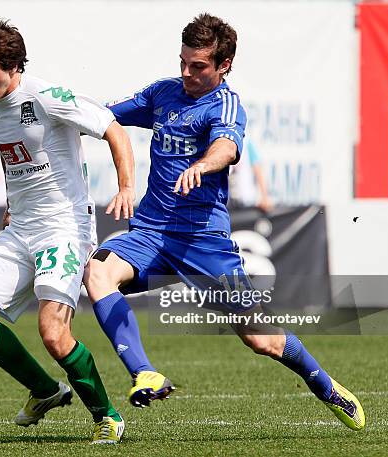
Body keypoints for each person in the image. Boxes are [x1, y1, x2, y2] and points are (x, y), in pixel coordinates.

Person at [84, 13, 365, 431]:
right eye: (183, 61)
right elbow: (104, 117)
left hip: (204, 242)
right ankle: (144, 372)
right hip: (150, 232)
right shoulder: (163, 94)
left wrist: (202, 164)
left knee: (261, 340)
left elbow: (226, 147)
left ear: (223, 66)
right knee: (98, 272)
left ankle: (325, 386)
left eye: (197, 66)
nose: (186, 73)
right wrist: (62, 112)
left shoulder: (224, 104)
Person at [0, 15, 135, 444]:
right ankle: (44, 390)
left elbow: (113, 128)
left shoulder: (48, 97)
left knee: (53, 333)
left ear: (13, 66)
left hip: (64, 227)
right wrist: (13, 204)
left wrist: (126, 187)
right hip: (22, 227)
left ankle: (107, 416)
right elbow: (16, 161)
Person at [229, 139, 273, 212]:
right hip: (227, 202)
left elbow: (258, 171)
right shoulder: (220, 142)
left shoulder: (246, 144)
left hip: (246, 200)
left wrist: (265, 197)